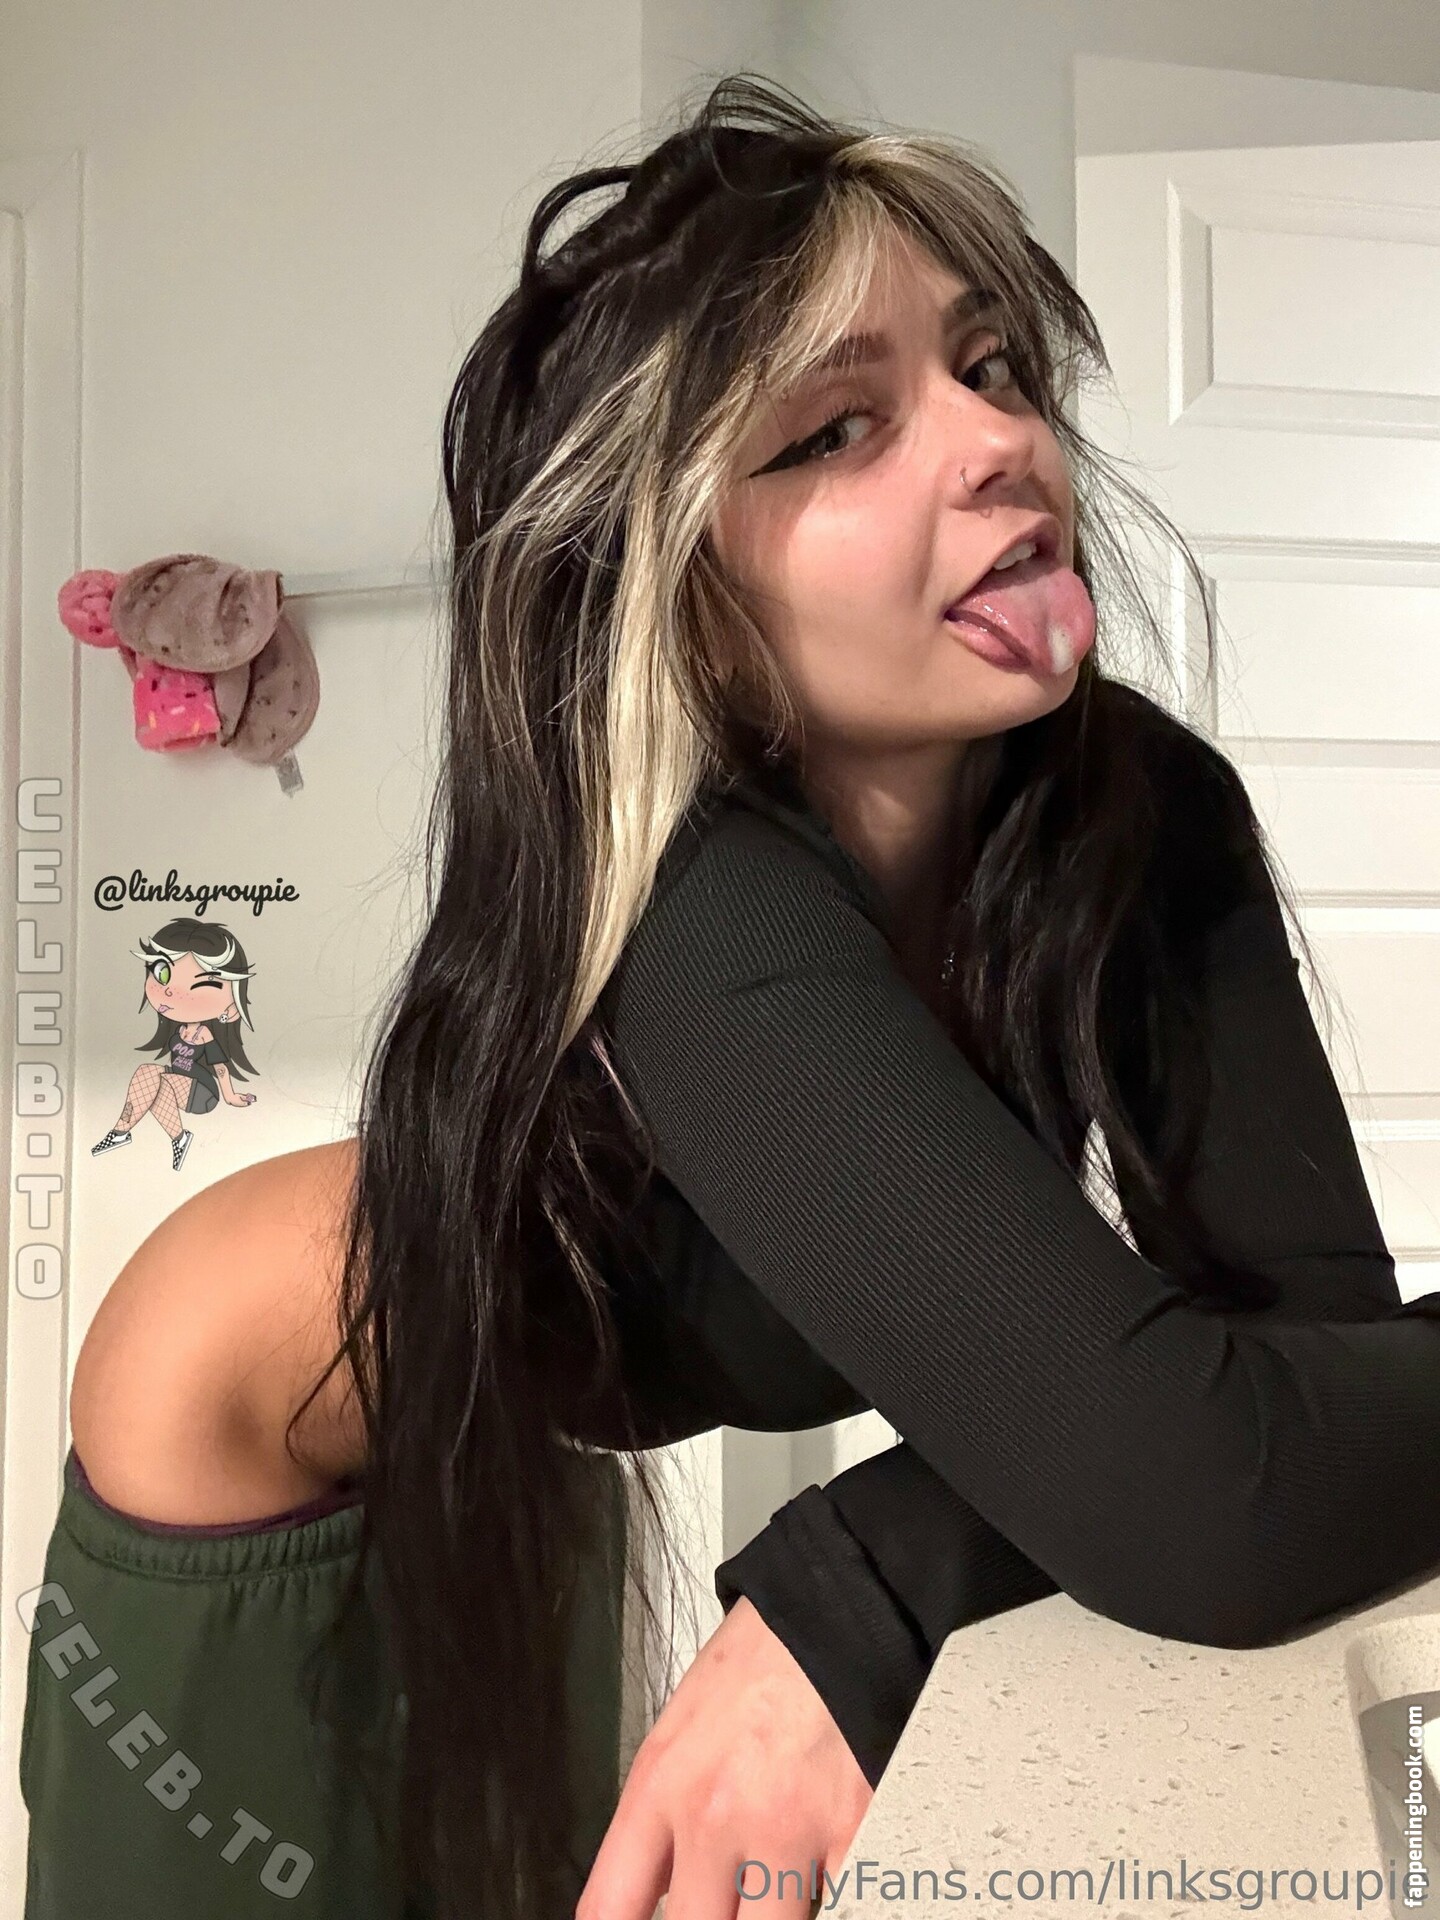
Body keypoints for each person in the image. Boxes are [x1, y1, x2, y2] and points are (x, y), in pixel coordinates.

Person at [32, 71, 1440, 1920]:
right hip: (243, 1431)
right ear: (684, 593)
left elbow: (1304, 1362)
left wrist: (876, 1570)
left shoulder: (1142, 818)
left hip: (509, 1439)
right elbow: (1212, 1484)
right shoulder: (687, 896)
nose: (995, 440)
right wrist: (924, 1557)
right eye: (835, 429)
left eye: (993, 365)